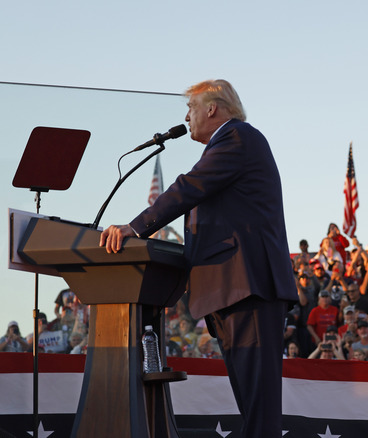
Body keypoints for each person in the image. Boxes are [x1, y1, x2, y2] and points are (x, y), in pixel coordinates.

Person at [99, 79, 298, 437]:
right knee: (253, 406)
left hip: (248, 287)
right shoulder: (228, 144)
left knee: (260, 409)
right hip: (232, 290)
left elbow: (189, 187)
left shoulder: (238, 137)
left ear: (212, 108)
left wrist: (136, 227)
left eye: (191, 107)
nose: (186, 117)